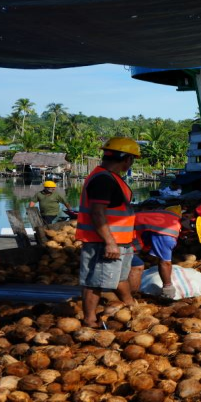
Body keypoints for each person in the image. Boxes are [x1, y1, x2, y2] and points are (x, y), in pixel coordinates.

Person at [75, 137, 141, 328]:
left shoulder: (110, 177)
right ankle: (90, 320)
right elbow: (97, 212)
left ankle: (130, 305)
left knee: (120, 276)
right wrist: (109, 241)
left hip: (120, 240)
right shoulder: (103, 179)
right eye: (132, 159)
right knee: (93, 281)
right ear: (127, 159)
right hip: (103, 241)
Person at [130, 205, 182, 299]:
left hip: (122, 227)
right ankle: (130, 297)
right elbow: (165, 263)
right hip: (120, 233)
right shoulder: (168, 235)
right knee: (137, 266)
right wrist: (168, 287)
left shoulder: (172, 218)